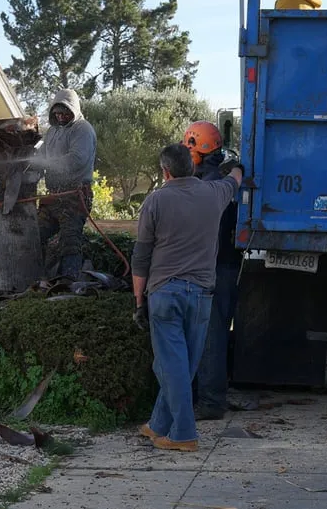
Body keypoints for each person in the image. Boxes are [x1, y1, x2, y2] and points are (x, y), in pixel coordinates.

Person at [131, 143, 244, 452]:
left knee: (170, 365)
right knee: (183, 363)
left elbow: (140, 258)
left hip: (165, 292)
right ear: (192, 167)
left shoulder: (155, 201)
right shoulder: (214, 193)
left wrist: (139, 301)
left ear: (165, 172)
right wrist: (237, 167)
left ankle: (183, 434)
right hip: (203, 295)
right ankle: (158, 425)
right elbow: (235, 178)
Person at [183, 122, 240, 421]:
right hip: (227, 263)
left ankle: (210, 401)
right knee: (212, 332)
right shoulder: (225, 174)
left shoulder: (202, 182)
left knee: (208, 336)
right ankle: (206, 397)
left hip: (210, 267)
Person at [32, 88, 97, 280]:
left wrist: (48, 164)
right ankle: (37, 278)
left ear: (73, 110)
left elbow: (77, 159)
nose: (60, 117)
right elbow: (41, 156)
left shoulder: (82, 129)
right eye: (57, 113)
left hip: (74, 196)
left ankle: (71, 283)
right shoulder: (51, 132)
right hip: (54, 196)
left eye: (64, 113)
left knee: (70, 239)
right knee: (35, 235)